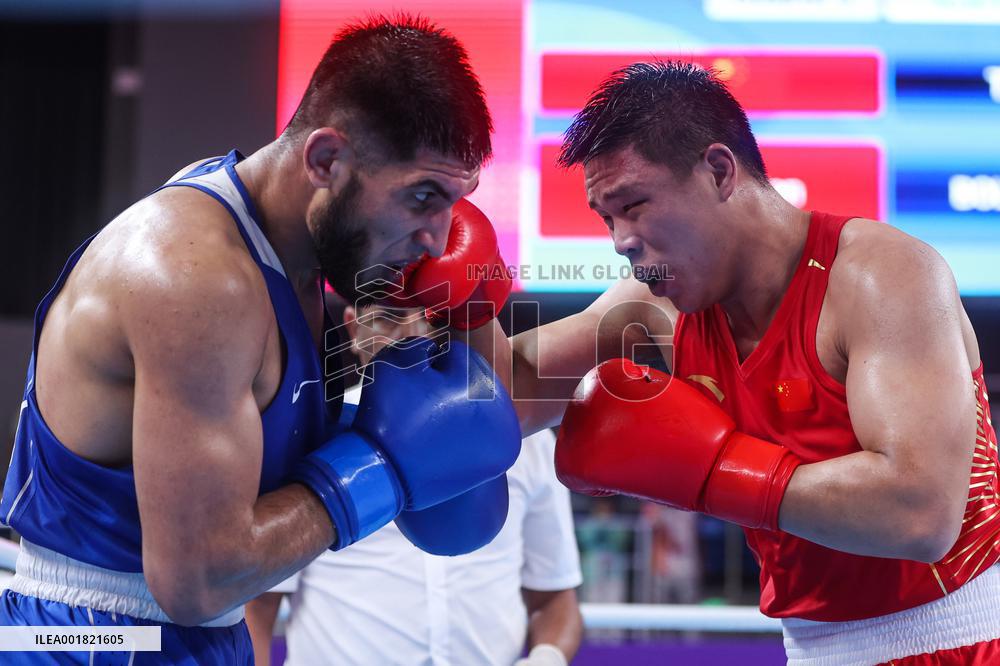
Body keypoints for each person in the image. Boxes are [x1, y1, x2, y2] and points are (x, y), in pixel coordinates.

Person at [0, 15, 521, 664]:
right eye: (422, 196)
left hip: (200, 639)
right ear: (326, 159)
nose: (438, 238)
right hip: (92, 638)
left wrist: (475, 310)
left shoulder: (301, 258)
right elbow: (198, 579)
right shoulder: (197, 278)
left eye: (454, 201)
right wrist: (382, 472)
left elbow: (496, 407)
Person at [508, 61, 1000, 664]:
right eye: (606, 218)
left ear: (719, 171)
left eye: (634, 204)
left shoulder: (880, 276)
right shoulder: (657, 310)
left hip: (962, 641)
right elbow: (513, 389)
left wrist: (715, 472)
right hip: (813, 650)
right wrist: (437, 319)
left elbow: (921, 512)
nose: (620, 239)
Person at [245, 302, 583, 666]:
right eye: (388, 317)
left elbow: (554, 598)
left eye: (431, 317)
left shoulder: (523, 438)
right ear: (354, 330)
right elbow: (258, 606)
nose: (412, 333)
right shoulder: (314, 434)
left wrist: (546, 658)